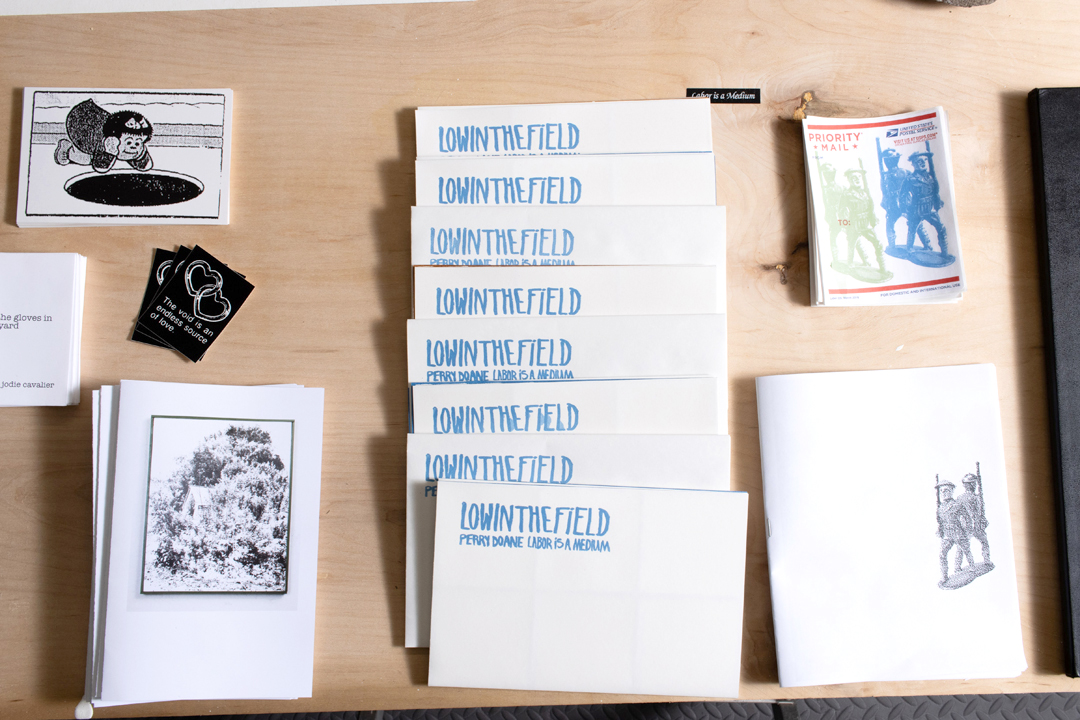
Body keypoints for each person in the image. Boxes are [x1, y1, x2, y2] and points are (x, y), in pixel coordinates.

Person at [54, 99, 154, 173]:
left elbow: (146, 166)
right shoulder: (107, 144)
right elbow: (101, 168)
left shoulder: (132, 146)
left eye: (137, 143)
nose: (133, 146)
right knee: (86, 159)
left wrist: (141, 155)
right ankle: (67, 150)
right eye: (129, 142)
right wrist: (109, 153)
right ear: (113, 141)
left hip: (97, 117)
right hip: (80, 124)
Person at [839, 168, 887, 272]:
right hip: (854, 224)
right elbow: (842, 210)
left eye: (859, 177)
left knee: (877, 243)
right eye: (853, 178)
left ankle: (883, 268)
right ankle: (850, 264)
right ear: (849, 180)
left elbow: (871, 208)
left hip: (866, 224)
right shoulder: (847, 194)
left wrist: (873, 218)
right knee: (852, 244)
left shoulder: (866, 193)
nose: (857, 179)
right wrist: (844, 224)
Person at [900, 151, 947, 255]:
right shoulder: (910, 179)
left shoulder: (931, 176)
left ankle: (945, 252)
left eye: (924, 161)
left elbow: (935, 191)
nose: (922, 163)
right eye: (919, 161)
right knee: (912, 229)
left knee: (941, 228)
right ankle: (910, 249)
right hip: (917, 208)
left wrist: (938, 201)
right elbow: (903, 195)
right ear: (913, 164)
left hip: (930, 208)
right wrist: (905, 209)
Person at [937, 479, 974, 583]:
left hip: (958, 533)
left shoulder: (957, 505)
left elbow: (967, 518)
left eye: (946, 490)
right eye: (941, 491)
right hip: (947, 535)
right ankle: (944, 576)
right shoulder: (940, 507)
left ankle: (972, 567)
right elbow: (940, 521)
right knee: (942, 554)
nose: (943, 493)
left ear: (952, 491)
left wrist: (968, 531)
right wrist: (939, 530)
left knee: (966, 550)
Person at [956, 473, 990, 563]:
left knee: (983, 542)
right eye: (972, 483)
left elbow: (980, 512)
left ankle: (986, 560)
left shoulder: (975, 497)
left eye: (974, 483)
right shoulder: (965, 498)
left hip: (975, 525)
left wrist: (983, 520)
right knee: (962, 546)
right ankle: (957, 566)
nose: (974, 485)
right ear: (967, 484)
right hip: (968, 526)